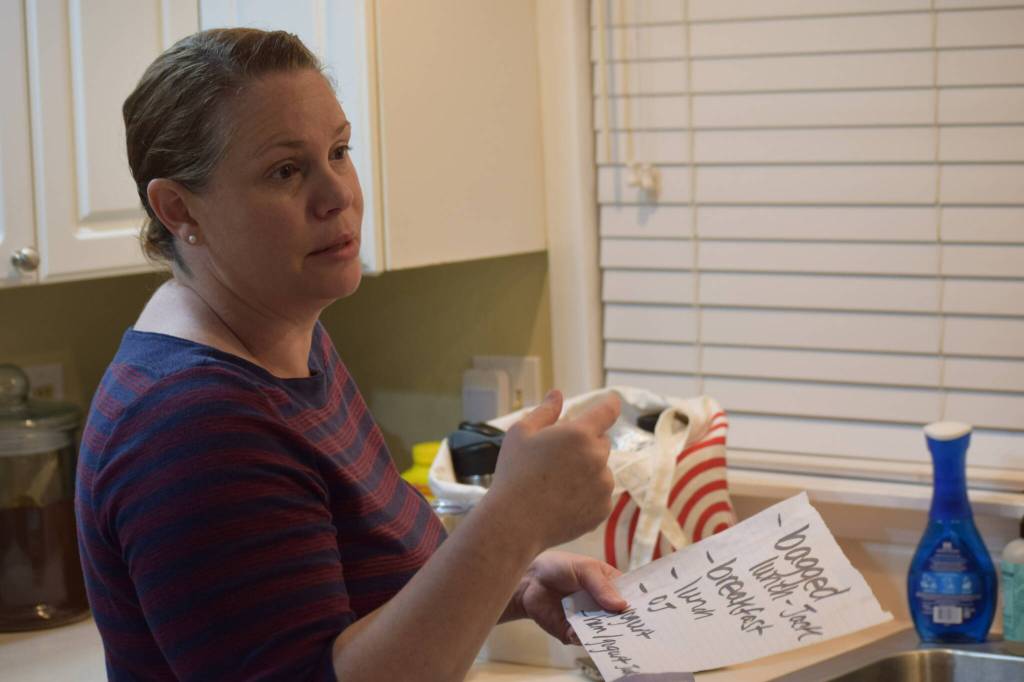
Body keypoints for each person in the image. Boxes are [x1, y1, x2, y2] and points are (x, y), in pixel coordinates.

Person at [76, 28, 625, 681]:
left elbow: (347, 599)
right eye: (286, 169)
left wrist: (515, 578)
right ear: (178, 209)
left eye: (339, 151)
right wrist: (512, 522)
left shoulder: (287, 340)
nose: (336, 194)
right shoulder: (189, 423)